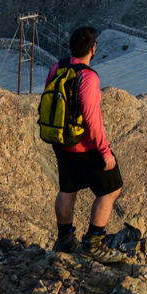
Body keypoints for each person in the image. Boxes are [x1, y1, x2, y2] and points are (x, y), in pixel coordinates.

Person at [45, 26, 125, 264]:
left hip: (61, 142)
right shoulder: (88, 77)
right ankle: (93, 242)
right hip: (85, 147)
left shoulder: (56, 67)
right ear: (93, 49)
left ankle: (65, 240)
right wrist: (105, 152)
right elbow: (92, 119)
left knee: (67, 189)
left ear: (69, 48)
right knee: (111, 189)